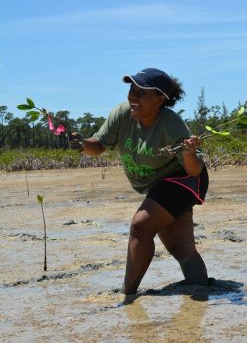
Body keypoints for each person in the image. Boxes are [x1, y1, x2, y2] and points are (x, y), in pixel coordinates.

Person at [69, 68, 209, 295]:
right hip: (159, 186)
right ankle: (204, 289)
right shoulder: (122, 114)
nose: (133, 96)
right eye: (131, 90)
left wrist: (190, 151)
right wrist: (82, 144)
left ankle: (127, 294)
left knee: (140, 226)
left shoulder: (170, 124)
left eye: (141, 92)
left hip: (185, 179)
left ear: (159, 99)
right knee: (182, 249)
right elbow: (99, 145)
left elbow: (193, 169)